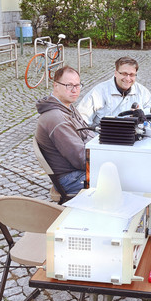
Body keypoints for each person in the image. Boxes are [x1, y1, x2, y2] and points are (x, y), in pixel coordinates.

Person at [35, 66, 94, 202]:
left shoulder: (67, 107)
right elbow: (81, 159)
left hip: (74, 172)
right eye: (69, 85)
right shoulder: (57, 118)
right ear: (56, 85)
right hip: (70, 178)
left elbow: (87, 133)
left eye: (78, 85)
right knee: (120, 178)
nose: (75, 90)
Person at [77, 56, 151, 127]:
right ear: (115, 73)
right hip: (105, 139)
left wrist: (140, 113)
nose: (128, 79)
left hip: (134, 138)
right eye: (124, 73)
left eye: (131, 75)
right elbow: (80, 119)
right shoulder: (98, 92)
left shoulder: (141, 91)